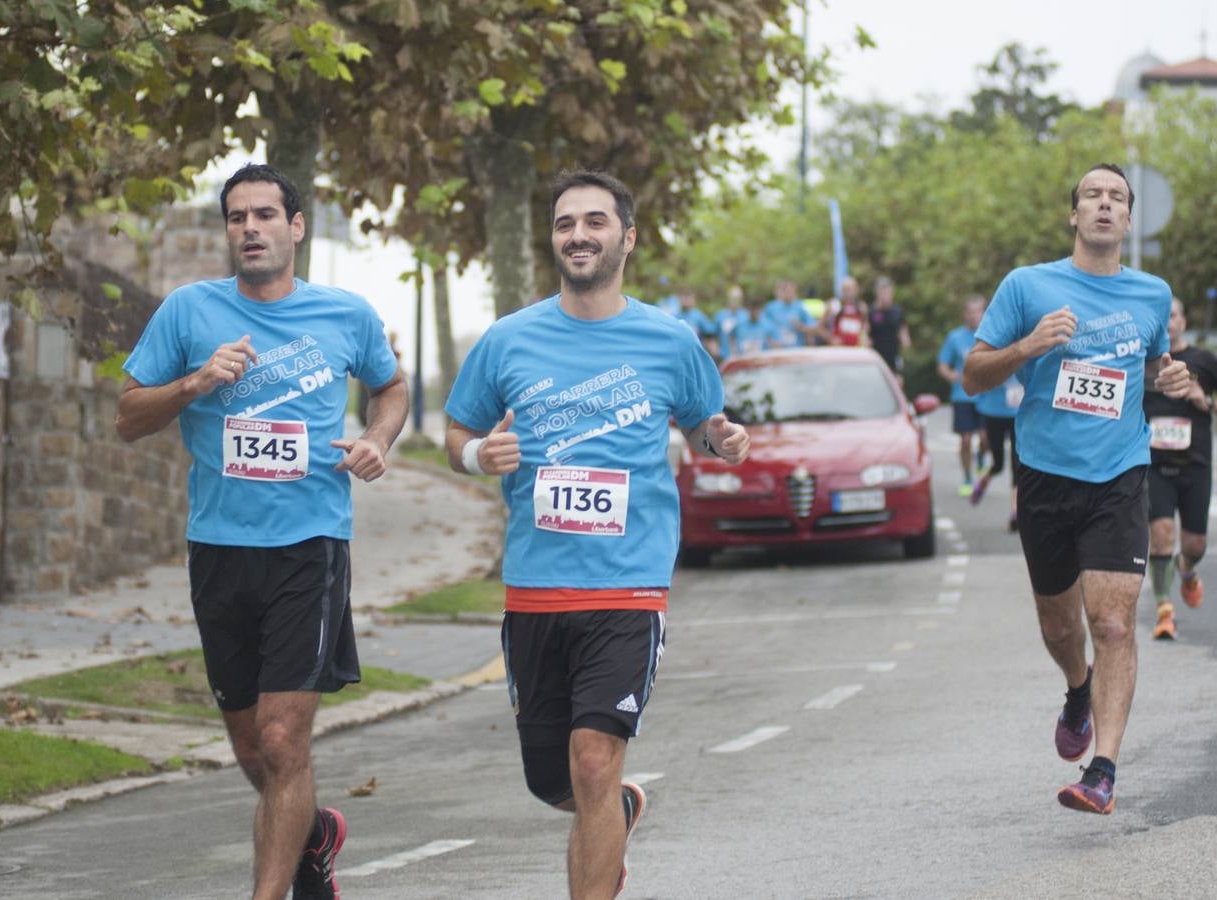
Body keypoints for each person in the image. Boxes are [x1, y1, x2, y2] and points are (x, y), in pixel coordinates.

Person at [443, 170, 749, 899]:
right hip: (535, 591)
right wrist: (478, 455)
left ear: (627, 237)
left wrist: (722, 439)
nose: (578, 234)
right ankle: (618, 811)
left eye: (594, 222)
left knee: (592, 764)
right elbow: (456, 432)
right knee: (554, 780)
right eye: (564, 223)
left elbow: (705, 422)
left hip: (628, 585)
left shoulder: (668, 340)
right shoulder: (507, 340)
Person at [115, 163, 408, 900]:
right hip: (219, 548)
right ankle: (314, 836)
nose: (251, 228)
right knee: (251, 747)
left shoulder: (345, 314)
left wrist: (378, 438)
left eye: (265, 215)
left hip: (309, 547)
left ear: (295, 227)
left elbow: (391, 386)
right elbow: (127, 417)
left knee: (282, 739)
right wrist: (193, 384)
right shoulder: (188, 312)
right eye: (237, 217)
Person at [963, 162, 1191, 816]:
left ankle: (1105, 771)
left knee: (1114, 620)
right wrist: (1030, 345)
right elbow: (976, 376)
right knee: (1059, 624)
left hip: (1119, 474)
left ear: (1127, 218)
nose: (1103, 205)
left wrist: (1167, 378)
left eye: (1116, 197)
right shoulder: (1027, 286)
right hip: (1044, 473)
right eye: (1091, 195)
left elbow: (1150, 366)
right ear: (1073, 214)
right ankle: (1076, 686)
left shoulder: (1151, 294)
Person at [1145, 298, 1217, 639]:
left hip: (1196, 465)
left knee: (1195, 545)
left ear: (1183, 322)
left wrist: (1209, 401)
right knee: (1160, 536)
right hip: (1154, 465)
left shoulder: (1204, 361)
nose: (1167, 322)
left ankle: (1185, 569)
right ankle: (1164, 611)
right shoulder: (1145, 363)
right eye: (1162, 317)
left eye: (1172, 316)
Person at [937, 295, 988, 496]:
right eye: (970, 311)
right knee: (965, 439)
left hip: (986, 396)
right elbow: (942, 365)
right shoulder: (955, 337)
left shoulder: (990, 334)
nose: (974, 316)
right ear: (964, 314)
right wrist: (952, 377)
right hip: (963, 396)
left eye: (978, 311)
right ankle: (967, 476)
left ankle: (982, 456)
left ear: (983, 313)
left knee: (986, 439)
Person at [971, 373, 1023, 531]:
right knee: (998, 464)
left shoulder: (1024, 352)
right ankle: (983, 481)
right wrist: (980, 428)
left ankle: (1015, 511)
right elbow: (977, 386)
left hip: (1016, 414)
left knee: (1017, 465)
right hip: (993, 413)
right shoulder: (993, 351)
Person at [868, 276, 911, 375]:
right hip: (876, 356)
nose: (886, 295)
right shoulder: (871, 311)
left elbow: (902, 328)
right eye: (883, 291)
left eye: (888, 291)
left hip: (893, 356)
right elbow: (866, 331)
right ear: (877, 293)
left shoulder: (897, 311)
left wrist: (905, 339)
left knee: (897, 381)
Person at [764, 278, 823, 347]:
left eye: (791, 290)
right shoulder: (770, 308)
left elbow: (814, 329)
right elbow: (760, 329)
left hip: (796, 350)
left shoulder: (800, 307)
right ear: (781, 291)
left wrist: (800, 326)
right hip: (776, 351)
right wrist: (771, 342)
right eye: (786, 290)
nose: (789, 293)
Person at [672, 289, 720, 361]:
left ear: (692, 299)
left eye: (688, 297)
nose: (686, 300)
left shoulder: (697, 315)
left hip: (696, 352)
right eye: (684, 297)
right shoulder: (676, 317)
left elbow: (710, 331)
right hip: (680, 352)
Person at [827, 276, 870, 347]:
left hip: (856, 350)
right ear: (842, 290)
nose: (849, 292)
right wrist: (830, 338)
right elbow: (820, 327)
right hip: (838, 350)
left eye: (851, 289)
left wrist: (865, 338)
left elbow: (865, 326)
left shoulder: (862, 307)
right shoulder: (834, 305)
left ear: (856, 290)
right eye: (846, 289)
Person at [714, 284, 750, 361]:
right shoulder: (720, 315)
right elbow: (712, 334)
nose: (735, 301)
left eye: (738, 298)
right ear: (728, 298)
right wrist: (715, 348)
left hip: (743, 356)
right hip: (724, 357)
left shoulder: (746, 315)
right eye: (733, 298)